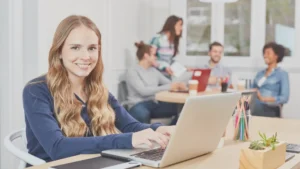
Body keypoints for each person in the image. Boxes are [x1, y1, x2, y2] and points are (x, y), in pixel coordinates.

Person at [23, 15, 174, 164]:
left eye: (92, 48)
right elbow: (57, 148)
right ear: (59, 51)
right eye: (75, 48)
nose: (86, 56)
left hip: (90, 164)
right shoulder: (36, 91)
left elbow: (130, 126)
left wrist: (158, 130)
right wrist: (128, 140)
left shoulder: (98, 90)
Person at [126, 41, 186, 124]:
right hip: (137, 104)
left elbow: (169, 83)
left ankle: (170, 134)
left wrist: (173, 78)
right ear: (146, 56)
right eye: (154, 55)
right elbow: (143, 91)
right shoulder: (132, 71)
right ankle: (146, 136)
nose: (156, 58)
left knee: (182, 108)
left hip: (154, 103)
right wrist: (169, 87)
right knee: (142, 114)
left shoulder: (154, 71)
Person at [252, 42, 290, 117]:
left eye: (268, 53)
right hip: (255, 105)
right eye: (264, 53)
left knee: (250, 108)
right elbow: (251, 90)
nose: (265, 55)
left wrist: (263, 99)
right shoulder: (260, 74)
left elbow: (284, 98)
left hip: (270, 107)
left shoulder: (282, 74)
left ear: (276, 56)